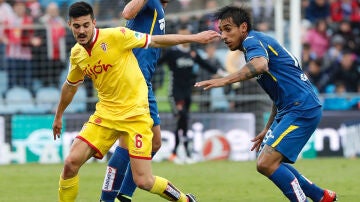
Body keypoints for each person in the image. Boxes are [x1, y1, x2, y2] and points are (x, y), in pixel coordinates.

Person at [52, 2, 220, 202]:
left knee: (144, 180)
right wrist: (59, 115)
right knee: (71, 163)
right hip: (105, 114)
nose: (81, 30)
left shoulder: (117, 36)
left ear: (94, 23)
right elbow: (70, 86)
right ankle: (113, 198)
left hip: (135, 115)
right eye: (76, 26)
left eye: (86, 25)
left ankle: (185, 200)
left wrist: (194, 38)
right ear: (69, 25)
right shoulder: (77, 54)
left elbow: (156, 41)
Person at [194, 6, 337, 202]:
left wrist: (225, 80)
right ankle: (321, 196)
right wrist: (268, 127)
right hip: (292, 108)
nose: (223, 36)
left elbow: (260, 65)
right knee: (269, 160)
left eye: (228, 29)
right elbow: (277, 94)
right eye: (221, 30)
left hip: (301, 108)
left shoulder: (253, 41)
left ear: (243, 27)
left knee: (265, 163)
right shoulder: (254, 44)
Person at [100, 0, 169, 201]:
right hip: (134, 81)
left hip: (141, 81)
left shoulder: (158, 8)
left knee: (153, 143)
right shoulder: (150, 2)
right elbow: (127, 13)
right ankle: (110, 198)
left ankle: (123, 195)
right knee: (130, 144)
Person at [158, 23, 222, 164]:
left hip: (188, 92)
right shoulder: (172, 52)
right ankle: (180, 152)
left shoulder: (192, 53)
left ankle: (178, 153)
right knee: (182, 116)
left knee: (184, 121)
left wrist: (221, 74)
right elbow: (157, 63)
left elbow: (206, 65)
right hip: (175, 92)